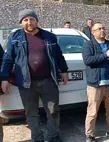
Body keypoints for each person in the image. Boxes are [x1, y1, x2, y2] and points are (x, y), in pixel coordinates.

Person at [1, 9, 68, 142]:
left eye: (32, 19)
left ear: (37, 21)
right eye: (25, 20)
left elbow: (58, 55)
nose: (29, 22)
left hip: (48, 80)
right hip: (26, 83)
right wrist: (4, 78)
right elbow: (8, 59)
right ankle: (37, 137)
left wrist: (64, 70)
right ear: (20, 23)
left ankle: (53, 136)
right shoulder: (15, 38)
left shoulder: (49, 36)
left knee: (53, 111)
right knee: (31, 113)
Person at [82, 23, 109, 142]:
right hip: (95, 84)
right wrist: (106, 55)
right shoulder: (89, 44)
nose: (102, 30)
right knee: (92, 112)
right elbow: (88, 60)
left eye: (103, 28)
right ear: (93, 32)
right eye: (99, 29)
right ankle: (89, 135)